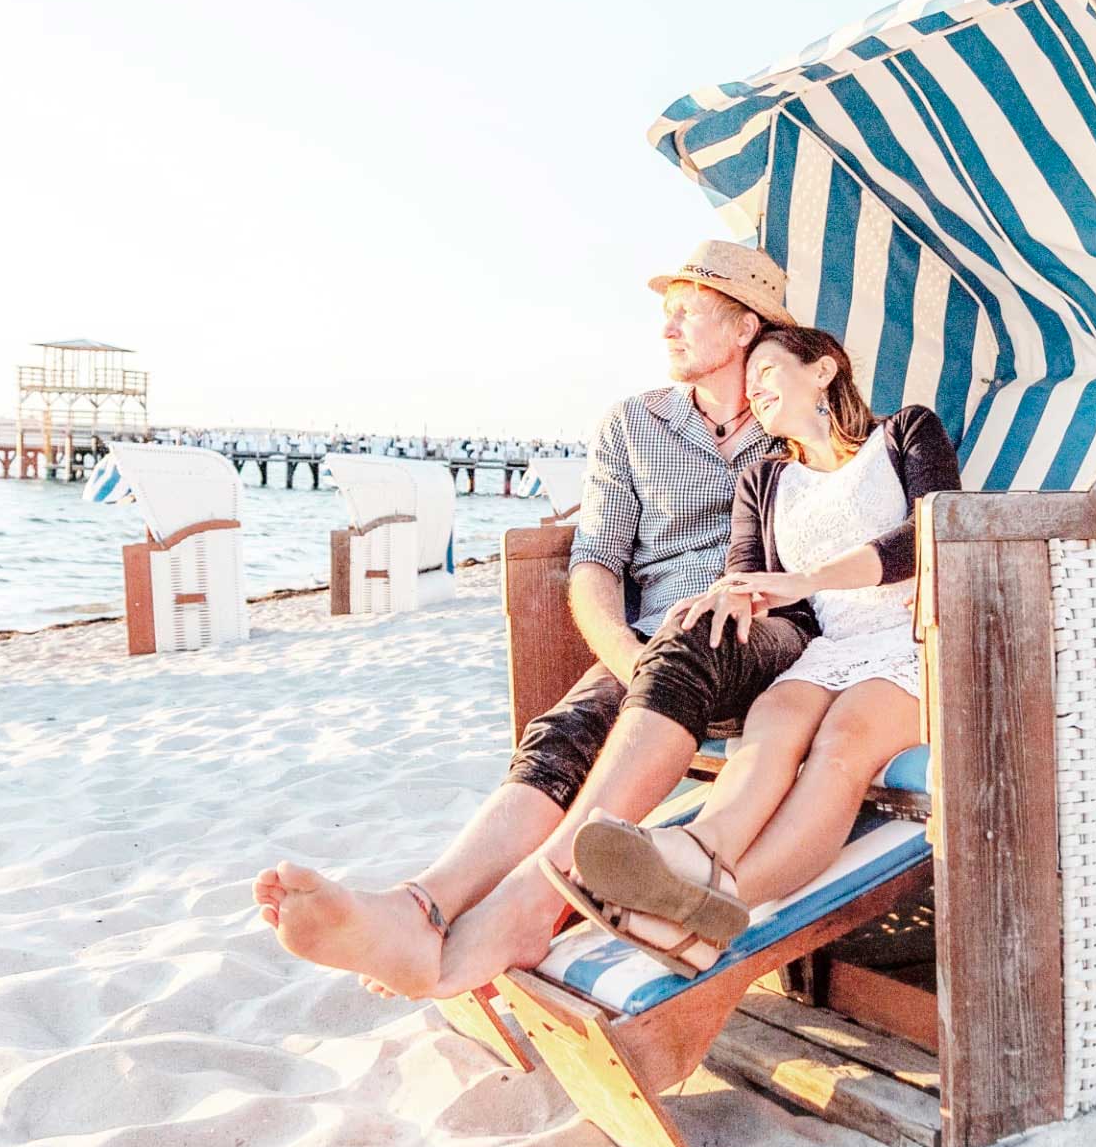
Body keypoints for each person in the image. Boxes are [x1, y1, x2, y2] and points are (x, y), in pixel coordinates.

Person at [256, 239, 813, 998]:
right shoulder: (633, 424)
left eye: (688, 311)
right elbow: (595, 562)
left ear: (746, 326)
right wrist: (628, 658)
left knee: (685, 643)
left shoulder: (798, 417)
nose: (667, 327)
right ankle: (421, 906)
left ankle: (531, 903)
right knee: (566, 728)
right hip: (656, 644)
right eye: (667, 313)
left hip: (768, 635)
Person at [544, 324, 958, 974]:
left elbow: (933, 532)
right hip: (833, 647)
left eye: (767, 371)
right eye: (751, 381)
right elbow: (747, 573)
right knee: (769, 730)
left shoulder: (905, 432)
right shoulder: (764, 480)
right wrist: (721, 598)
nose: (755, 390)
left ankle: (721, 905)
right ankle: (698, 850)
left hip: (916, 636)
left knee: (842, 744)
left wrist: (810, 579)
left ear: (822, 369)